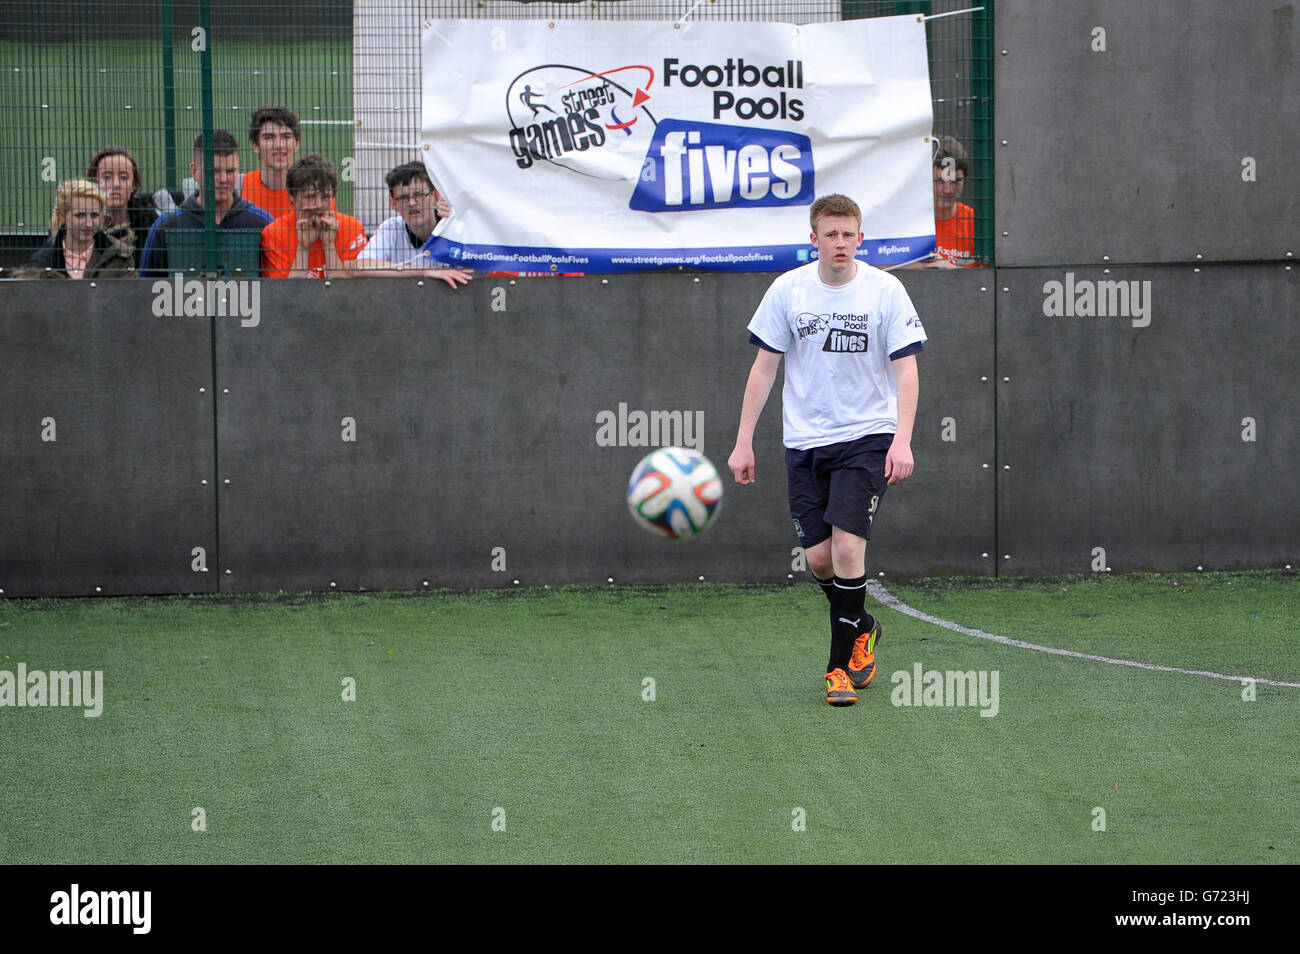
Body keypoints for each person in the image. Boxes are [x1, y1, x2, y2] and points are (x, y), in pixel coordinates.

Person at [726, 193, 926, 707]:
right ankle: (862, 625)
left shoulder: (886, 291)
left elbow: (907, 370)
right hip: (804, 443)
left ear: (862, 238)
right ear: (812, 239)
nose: (840, 243)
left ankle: (838, 670)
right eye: (830, 234)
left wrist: (902, 439)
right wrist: (743, 440)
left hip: (868, 438)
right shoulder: (786, 291)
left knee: (845, 549)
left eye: (848, 234)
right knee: (818, 560)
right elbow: (764, 369)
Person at [138, 131, 274, 278]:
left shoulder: (261, 222)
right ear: (194, 171)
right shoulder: (166, 227)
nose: (223, 179)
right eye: (213, 171)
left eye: (230, 171)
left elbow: (279, 290)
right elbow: (145, 289)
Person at [353, 161, 471, 288]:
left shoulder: (456, 225)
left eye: (419, 195)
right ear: (393, 204)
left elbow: (484, 266)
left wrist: (458, 227)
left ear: (435, 196)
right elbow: (360, 266)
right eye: (403, 198)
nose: (412, 203)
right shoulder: (390, 228)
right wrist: (424, 272)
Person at [260, 154, 367, 278]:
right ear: (291, 196)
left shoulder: (352, 228)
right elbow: (287, 294)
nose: (318, 205)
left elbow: (348, 291)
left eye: (325, 196)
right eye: (310, 197)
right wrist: (303, 246)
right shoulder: (274, 233)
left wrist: (329, 245)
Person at [27, 179, 135, 278]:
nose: (88, 224)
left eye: (94, 215)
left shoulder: (121, 257)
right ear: (62, 216)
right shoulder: (42, 262)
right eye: (80, 215)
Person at [86, 146, 158, 267]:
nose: (116, 184)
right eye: (107, 177)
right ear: (94, 182)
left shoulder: (150, 227)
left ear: (134, 185)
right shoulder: (80, 223)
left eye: (124, 177)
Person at [929, 135, 976, 267]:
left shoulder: (977, 224)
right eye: (939, 181)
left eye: (955, 181)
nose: (948, 190)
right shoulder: (909, 223)